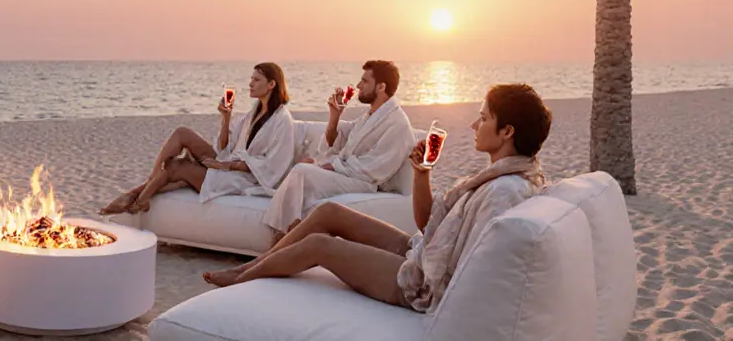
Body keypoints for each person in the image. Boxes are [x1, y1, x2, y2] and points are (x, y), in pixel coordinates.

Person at [202, 83, 552, 315]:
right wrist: (421, 175)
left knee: (321, 245)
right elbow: (427, 224)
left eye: (483, 118)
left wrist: (423, 267)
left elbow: (471, 274)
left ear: (507, 131)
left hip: (425, 282)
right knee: (329, 213)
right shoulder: (502, 176)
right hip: (423, 249)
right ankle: (250, 266)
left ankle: (242, 278)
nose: (475, 126)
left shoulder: (502, 192)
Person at [99, 62, 296, 215]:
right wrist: (226, 118)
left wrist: (228, 166)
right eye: (251, 78)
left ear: (271, 84)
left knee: (177, 165)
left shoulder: (282, 120)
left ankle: (138, 198)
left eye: (256, 80)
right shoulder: (254, 112)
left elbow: (273, 166)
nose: (250, 84)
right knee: (182, 132)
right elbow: (227, 147)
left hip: (245, 177)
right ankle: (150, 182)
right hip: (227, 160)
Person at [262, 59, 415, 237]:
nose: (358, 85)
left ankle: (281, 236)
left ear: (381, 87)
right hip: (349, 175)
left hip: (366, 182)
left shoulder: (397, 123)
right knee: (302, 170)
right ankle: (290, 231)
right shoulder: (371, 114)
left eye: (365, 81)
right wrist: (335, 115)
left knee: (302, 171)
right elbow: (342, 140)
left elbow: (376, 168)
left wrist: (331, 166)